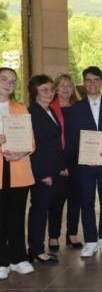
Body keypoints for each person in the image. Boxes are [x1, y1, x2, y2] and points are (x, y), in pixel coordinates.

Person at [67, 66, 102, 257]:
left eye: (96, 79)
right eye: (88, 80)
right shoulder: (76, 109)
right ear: (84, 83)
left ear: (101, 81)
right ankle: (91, 240)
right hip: (85, 164)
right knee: (86, 201)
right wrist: (85, 156)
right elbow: (72, 137)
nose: (92, 83)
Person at [0, 68, 35, 279]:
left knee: (16, 216)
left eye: (12, 81)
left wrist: (20, 152)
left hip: (18, 168)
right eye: (4, 79)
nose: (8, 84)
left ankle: (18, 258)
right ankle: (1, 261)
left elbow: (31, 142)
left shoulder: (21, 108)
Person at [27, 75, 63, 264]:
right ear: (35, 93)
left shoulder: (48, 110)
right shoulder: (32, 113)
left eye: (51, 89)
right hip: (42, 172)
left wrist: (61, 167)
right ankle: (36, 250)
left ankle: (36, 248)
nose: (50, 93)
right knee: (39, 209)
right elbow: (34, 147)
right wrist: (43, 174)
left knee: (43, 208)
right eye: (44, 90)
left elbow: (53, 143)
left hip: (53, 169)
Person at [48, 74, 82, 251]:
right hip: (58, 160)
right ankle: (53, 236)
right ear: (56, 88)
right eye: (62, 86)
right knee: (57, 199)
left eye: (69, 86)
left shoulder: (79, 108)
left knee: (76, 198)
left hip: (78, 159)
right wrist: (60, 165)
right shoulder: (49, 108)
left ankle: (72, 234)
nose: (66, 89)